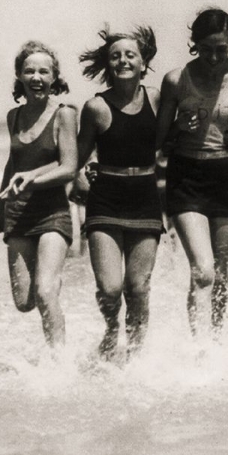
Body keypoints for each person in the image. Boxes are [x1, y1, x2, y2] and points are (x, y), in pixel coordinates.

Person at [155, 8, 228, 341]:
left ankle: (214, 342)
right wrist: (177, 127)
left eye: (221, 49)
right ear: (194, 45)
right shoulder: (176, 80)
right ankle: (198, 345)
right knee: (202, 270)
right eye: (206, 49)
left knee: (219, 272)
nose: (214, 57)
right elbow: (159, 141)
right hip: (187, 177)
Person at [77, 25, 162, 359]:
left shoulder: (157, 98)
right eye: (116, 56)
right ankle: (112, 330)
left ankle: (136, 354)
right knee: (110, 288)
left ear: (143, 62)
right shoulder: (96, 107)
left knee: (138, 287)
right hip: (106, 200)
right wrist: (74, 179)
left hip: (145, 199)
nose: (123, 60)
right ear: (107, 64)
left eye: (130, 55)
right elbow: (77, 156)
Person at [0, 41, 77, 349]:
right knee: (24, 301)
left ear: (54, 77)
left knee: (45, 293)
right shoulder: (12, 118)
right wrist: (1, 208)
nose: (37, 77)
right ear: (19, 76)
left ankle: (60, 366)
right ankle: (50, 278)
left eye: (44, 71)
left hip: (53, 212)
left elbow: (69, 167)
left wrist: (32, 181)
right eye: (29, 71)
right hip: (18, 213)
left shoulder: (65, 114)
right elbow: (14, 163)